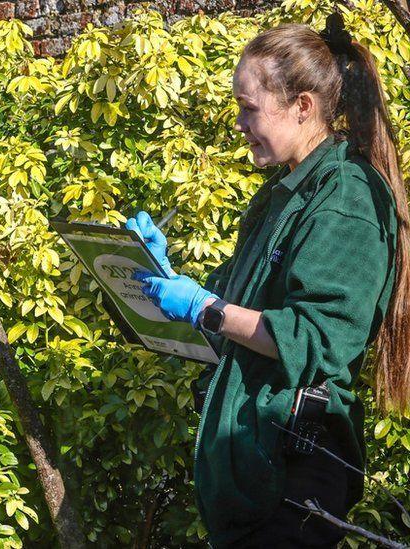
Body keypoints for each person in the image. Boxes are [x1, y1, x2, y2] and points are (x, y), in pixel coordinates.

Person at [126, 13, 408, 548]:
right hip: (256, 473)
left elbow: (320, 338)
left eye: (248, 108)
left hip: (295, 472)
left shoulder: (346, 197)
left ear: (302, 107)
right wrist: (160, 273)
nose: (239, 123)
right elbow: (229, 312)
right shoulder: (280, 195)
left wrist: (204, 307)